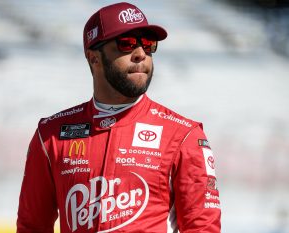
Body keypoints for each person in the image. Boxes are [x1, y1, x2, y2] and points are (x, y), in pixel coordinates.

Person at [17, 2, 221, 233]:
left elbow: (202, 228)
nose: (140, 54)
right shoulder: (51, 133)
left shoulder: (184, 135)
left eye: (148, 44)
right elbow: (32, 226)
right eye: (126, 44)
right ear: (94, 58)